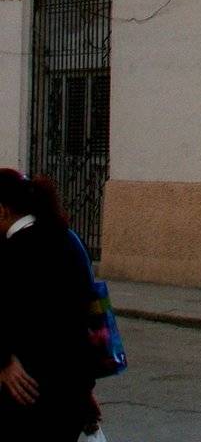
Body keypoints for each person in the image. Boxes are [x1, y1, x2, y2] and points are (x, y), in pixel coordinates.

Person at [0, 170, 98, 441]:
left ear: (2, 210)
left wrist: (4, 362)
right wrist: (85, 389)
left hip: (24, 393)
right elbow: (81, 319)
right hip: (70, 394)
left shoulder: (10, 251)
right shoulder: (70, 242)